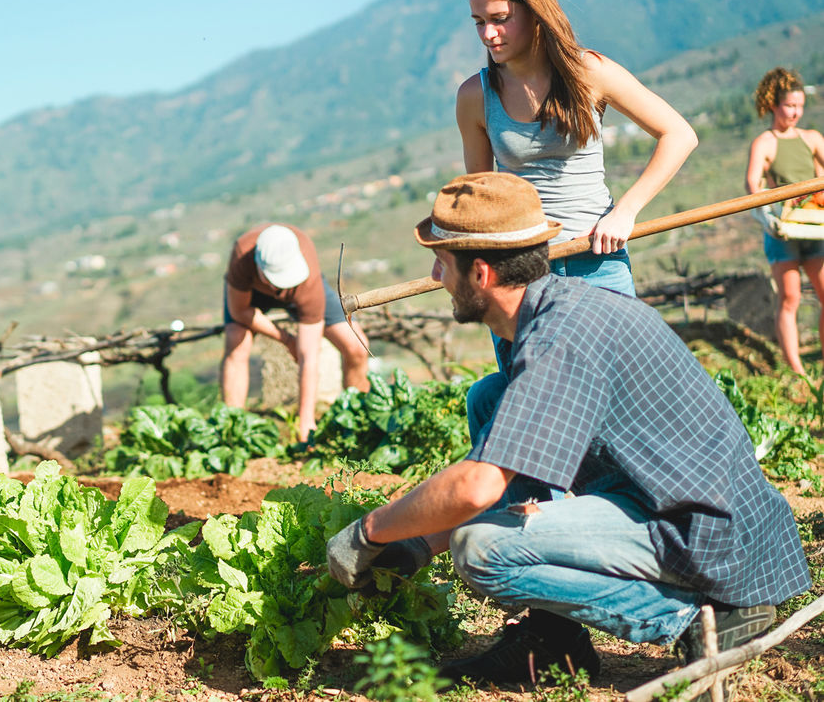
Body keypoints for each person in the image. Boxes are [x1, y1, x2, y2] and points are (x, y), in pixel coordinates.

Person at [326, 173, 809, 690]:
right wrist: (419, 545)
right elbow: (506, 474)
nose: (435, 274)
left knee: (480, 549)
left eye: (442, 262)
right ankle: (555, 641)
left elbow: (478, 487)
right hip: (670, 503)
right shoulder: (549, 313)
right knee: (490, 397)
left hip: (709, 536)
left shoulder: (560, 338)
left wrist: (370, 531)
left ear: (481, 273)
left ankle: (699, 619)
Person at [455, 0, 698, 443]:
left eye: (500, 19)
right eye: (479, 22)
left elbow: (678, 134)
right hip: (521, 274)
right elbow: (481, 195)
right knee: (532, 406)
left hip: (597, 260)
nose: (488, 34)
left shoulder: (589, 72)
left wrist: (624, 212)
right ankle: (526, 490)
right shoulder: (474, 96)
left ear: (535, 12)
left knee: (625, 396)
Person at [221, 223, 370, 442]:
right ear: (260, 268)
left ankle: (359, 419)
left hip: (301, 290)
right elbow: (240, 311)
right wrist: (286, 339)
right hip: (251, 295)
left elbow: (308, 356)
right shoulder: (242, 255)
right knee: (236, 342)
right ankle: (232, 431)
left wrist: (306, 421)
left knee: (356, 347)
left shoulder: (306, 276)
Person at [745, 67, 824, 376]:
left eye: (799, 106)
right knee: (790, 297)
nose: (795, 112)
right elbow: (752, 184)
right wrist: (767, 213)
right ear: (774, 105)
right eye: (790, 105)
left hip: (815, 227)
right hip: (783, 230)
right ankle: (797, 371)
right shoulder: (764, 142)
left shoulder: (811, 138)